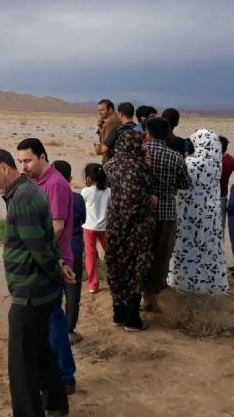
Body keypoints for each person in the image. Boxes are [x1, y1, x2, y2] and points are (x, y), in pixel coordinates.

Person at [0, 149, 73, 417]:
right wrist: (60, 265)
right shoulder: (29, 191)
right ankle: (56, 403)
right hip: (40, 291)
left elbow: (38, 248)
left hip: (30, 293)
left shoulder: (21, 199)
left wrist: (55, 269)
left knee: (20, 363)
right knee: (41, 348)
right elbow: (46, 240)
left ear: (5, 168)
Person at [16, 138, 76, 394]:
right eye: (20, 162)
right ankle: (60, 376)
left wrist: (31, 243)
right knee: (50, 320)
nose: (24, 166)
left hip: (55, 261)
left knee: (53, 321)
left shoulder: (54, 184)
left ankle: (64, 378)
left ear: (42, 157)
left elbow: (58, 225)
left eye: (27, 160)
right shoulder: (40, 183)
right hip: (49, 259)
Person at [103, 130, 156, 331]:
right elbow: (131, 198)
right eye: (141, 144)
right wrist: (150, 199)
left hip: (116, 225)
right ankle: (132, 319)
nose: (143, 147)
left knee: (117, 264)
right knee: (136, 267)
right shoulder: (134, 166)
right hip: (136, 228)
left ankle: (118, 314)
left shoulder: (112, 164)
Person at [168, 130, 230, 295]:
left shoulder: (190, 163)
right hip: (210, 215)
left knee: (187, 247)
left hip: (190, 214)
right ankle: (208, 283)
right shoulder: (216, 163)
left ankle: (184, 281)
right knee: (207, 247)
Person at [141, 117, 191, 311]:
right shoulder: (176, 157)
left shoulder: (141, 154)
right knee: (162, 257)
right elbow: (185, 184)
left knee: (142, 253)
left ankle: (136, 295)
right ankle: (151, 299)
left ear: (149, 133)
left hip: (143, 212)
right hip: (167, 212)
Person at [53, 160, 86, 345]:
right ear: (70, 178)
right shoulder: (78, 198)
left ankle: (55, 329)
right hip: (73, 248)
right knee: (72, 291)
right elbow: (83, 220)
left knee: (54, 290)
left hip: (53, 248)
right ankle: (69, 331)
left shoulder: (47, 195)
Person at [81, 163, 110, 294]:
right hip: (104, 227)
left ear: (88, 178)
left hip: (88, 227)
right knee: (109, 253)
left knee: (91, 255)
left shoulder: (86, 191)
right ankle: (114, 279)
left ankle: (93, 284)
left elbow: (81, 208)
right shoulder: (109, 191)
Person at [220, 136, 234, 266]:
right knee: (221, 229)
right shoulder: (230, 161)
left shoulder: (210, 161)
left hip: (208, 198)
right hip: (223, 197)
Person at [95, 99, 122, 164]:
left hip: (111, 160)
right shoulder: (111, 119)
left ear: (110, 109)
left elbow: (108, 142)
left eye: (102, 110)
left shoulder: (112, 121)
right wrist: (101, 127)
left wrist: (98, 149)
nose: (100, 113)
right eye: (99, 110)